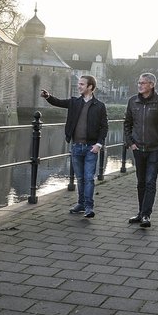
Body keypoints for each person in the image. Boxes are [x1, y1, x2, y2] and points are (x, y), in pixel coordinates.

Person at [41, 75, 108, 218]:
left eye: (82, 84)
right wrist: (48, 97)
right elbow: (58, 102)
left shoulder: (99, 106)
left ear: (90, 87)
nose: (79, 86)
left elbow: (104, 127)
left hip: (91, 147)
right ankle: (81, 204)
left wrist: (99, 144)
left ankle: (89, 207)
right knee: (80, 178)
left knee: (89, 178)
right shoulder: (74, 102)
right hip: (76, 146)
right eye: (79, 84)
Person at [124, 72, 158, 228]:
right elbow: (127, 124)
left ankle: (146, 215)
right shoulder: (132, 102)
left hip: (154, 148)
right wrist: (130, 143)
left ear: (152, 85)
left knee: (150, 182)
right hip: (138, 148)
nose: (140, 85)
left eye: (143, 83)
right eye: (139, 82)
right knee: (141, 182)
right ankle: (140, 213)